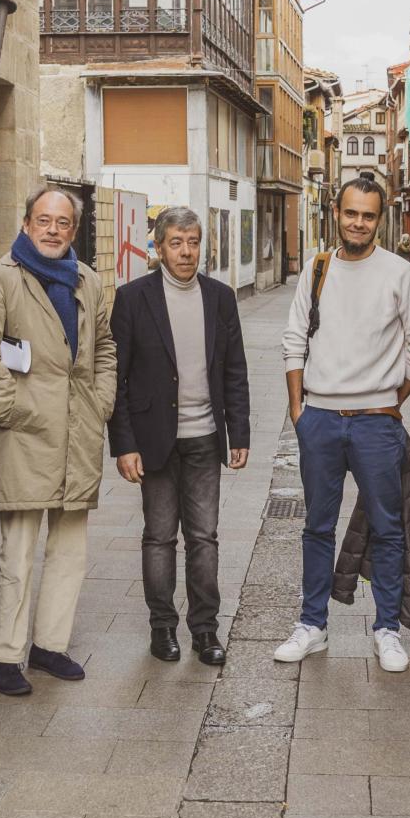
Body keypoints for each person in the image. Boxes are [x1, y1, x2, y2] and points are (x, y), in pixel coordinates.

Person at [276, 177, 410, 672]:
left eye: (369, 216)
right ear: (336, 212)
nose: (359, 223)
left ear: (381, 218)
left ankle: (386, 629)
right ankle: (313, 625)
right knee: (316, 526)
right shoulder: (318, 268)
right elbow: (293, 339)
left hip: (375, 423)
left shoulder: (399, 272)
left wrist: (390, 400)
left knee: (389, 529)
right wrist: (298, 411)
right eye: (352, 213)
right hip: (320, 419)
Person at [0, 187, 117, 695]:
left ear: (74, 230)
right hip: (25, 434)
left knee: (70, 550)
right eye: (44, 220)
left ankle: (50, 646)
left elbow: (105, 347)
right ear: (27, 223)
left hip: (78, 431)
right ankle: (5, 657)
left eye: (62, 222)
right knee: (19, 552)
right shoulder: (0, 278)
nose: (53, 230)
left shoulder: (87, 280)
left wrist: (101, 402)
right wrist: (13, 408)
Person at [109, 206, 251, 666]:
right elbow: (119, 378)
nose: (186, 251)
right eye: (176, 242)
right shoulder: (133, 299)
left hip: (205, 438)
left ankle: (205, 631)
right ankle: (162, 627)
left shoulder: (220, 297)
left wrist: (239, 432)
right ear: (159, 246)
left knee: (204, 537)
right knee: (158, 537)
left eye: (193, 242)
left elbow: (235, 369)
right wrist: (124, 444)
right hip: (154, 440)